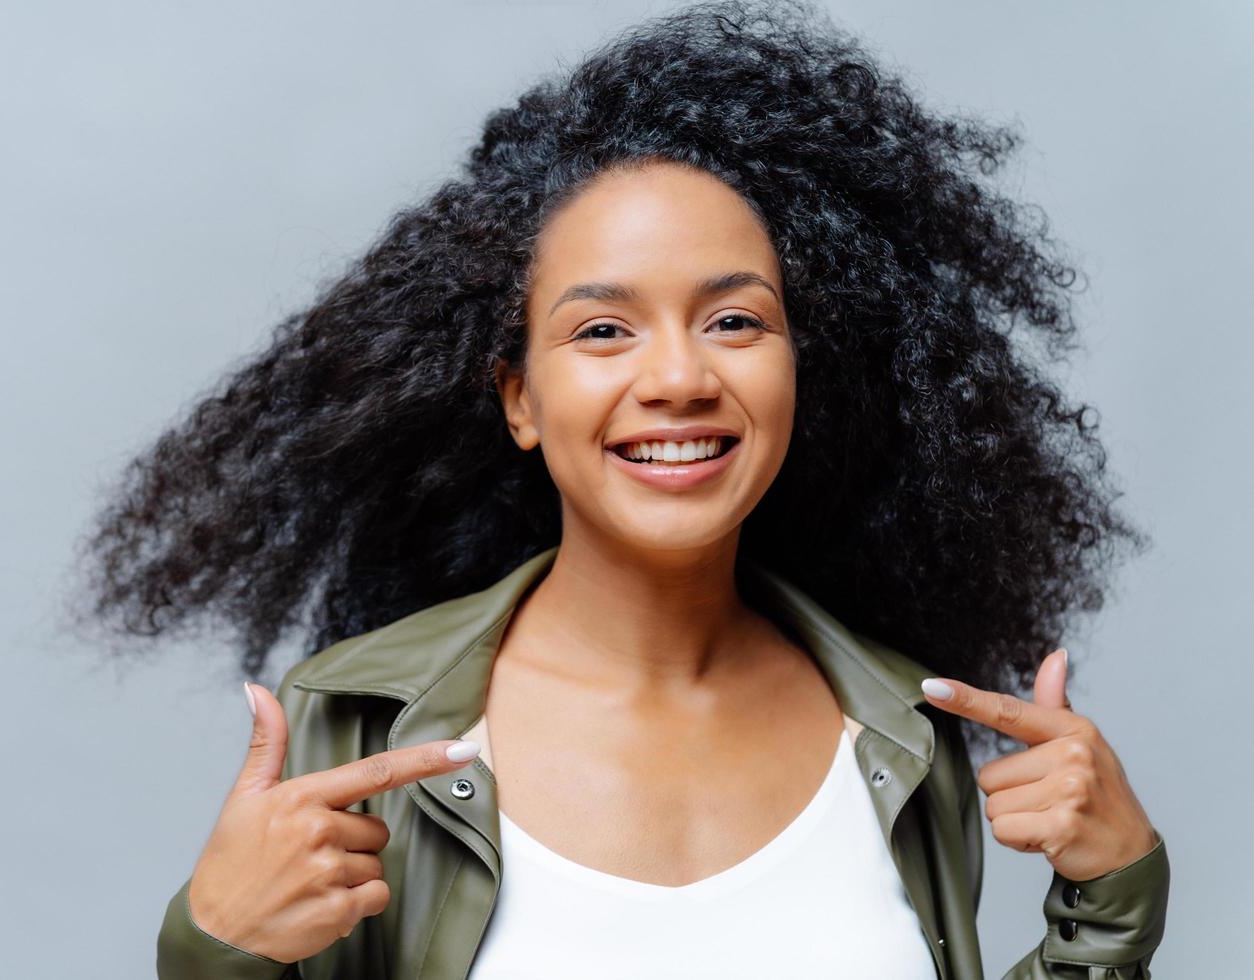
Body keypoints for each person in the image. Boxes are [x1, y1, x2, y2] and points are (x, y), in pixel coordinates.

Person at [70, 1, 1170, 976]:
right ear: (519, 398)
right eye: (602, 329)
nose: (682, 378)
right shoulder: (354, 726)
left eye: (736, 320)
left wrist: (1110, 901)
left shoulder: (901, 731)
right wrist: (215, 949)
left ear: (800, 368)